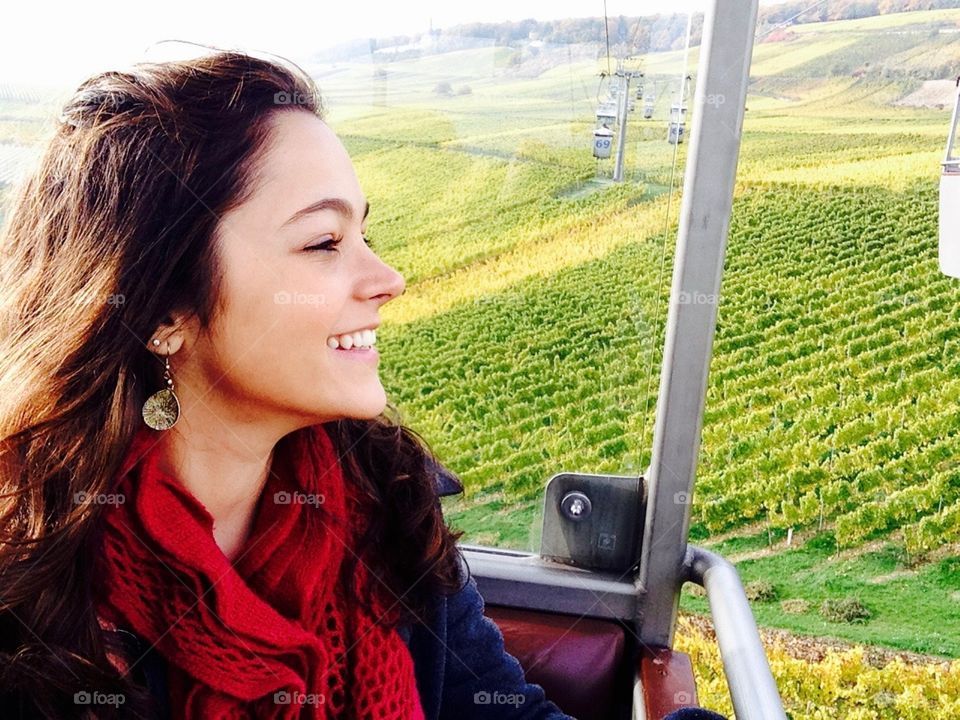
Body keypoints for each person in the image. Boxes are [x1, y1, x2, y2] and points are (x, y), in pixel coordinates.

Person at [0, 49, 726, 719]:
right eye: (323, 242)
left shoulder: (384, 505)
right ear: (161, 309)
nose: (387, 280)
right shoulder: (33, 596)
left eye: (366, 236)